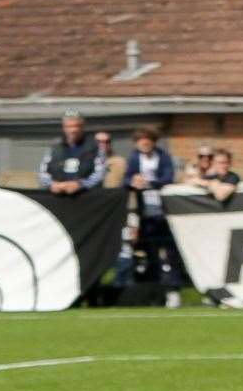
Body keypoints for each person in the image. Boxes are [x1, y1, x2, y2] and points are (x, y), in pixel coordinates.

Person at [118, 128, 182, 308]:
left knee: (170, 252)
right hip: (144, 213)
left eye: (147, 140)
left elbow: (168, 178)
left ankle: (174, 289)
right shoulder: (133, 158)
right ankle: (155, 290)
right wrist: (132, 182)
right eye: (141, 140)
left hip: (164, 212)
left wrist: (149, 183)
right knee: (149, 252)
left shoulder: (163, 157)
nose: (144, 143)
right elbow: (126, 179)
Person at [39, 112, 106, 196]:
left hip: (85, 196)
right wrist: (52, 184)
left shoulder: (94, 147)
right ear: (64, 128)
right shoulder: (55, 146)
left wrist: (81, 184)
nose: (73, 130)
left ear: (82, 127)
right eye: (69, 126)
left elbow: (100, 174)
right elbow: (43, 172)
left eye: (76, 126)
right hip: (57, 195)